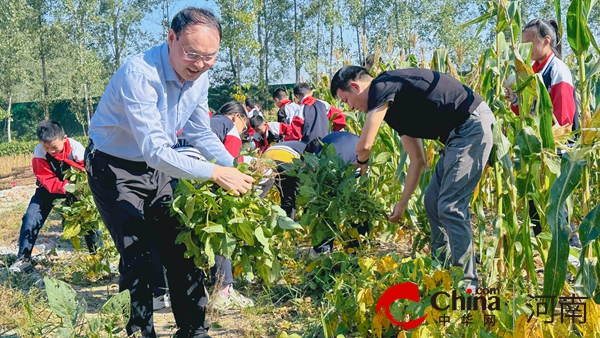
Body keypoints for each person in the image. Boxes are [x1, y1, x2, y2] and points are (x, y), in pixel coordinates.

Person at [86, 7, 254, 338]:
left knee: (181, 247)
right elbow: (155, 150)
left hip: (159, 166)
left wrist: (232, 165)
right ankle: (140, 331)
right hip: (115, 167)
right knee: (138, 253)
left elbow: (199, 132)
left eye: (210, 57)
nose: (200, 64)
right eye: (192, 54)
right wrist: (215, 173)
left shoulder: (200, 77)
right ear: (171, 38)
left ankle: (194, 330)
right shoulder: (140, 75)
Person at [331, 66, 496, 291]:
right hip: (455, 137)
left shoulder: (382, 85)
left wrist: (361, 162)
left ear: (355, 87)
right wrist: (402, 202)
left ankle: (467, 286)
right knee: (432, 201)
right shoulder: (394, 109)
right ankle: (443, 270)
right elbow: (418, 160)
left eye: (346, 100)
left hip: (470, 126)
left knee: (451, 207)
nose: (350, 107)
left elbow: (365, 145)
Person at [503, 18, 581, 247]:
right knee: (534, 205)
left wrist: (550, 151)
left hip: (553, 151)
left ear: (547, 41)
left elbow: (564, 120)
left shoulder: (557, 70)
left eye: (529, 44)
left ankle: (570, 256)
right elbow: (526, 112)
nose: (524, 50)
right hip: (535, 151)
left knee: (556, 208)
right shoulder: (531, 72)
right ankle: (549, 255)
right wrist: (514, 99)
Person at [174, 101, 254, 311]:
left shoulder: (204, 123)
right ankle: (223, 291)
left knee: (180, 229)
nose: (243, 133)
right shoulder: (229, 126)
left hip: (173, 167)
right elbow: (229, 163)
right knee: (219, 225)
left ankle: (164, 290)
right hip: (199, 169)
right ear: (237, 117)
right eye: (244, 128)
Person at [9, 120, 102, 274]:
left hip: (76, 189)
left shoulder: (76, 148)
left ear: (64, 138)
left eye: (55, 147)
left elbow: (86, 172)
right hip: (49, 190)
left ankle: (97, 259)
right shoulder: (39, 153)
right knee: (31, 217)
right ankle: (23, 260)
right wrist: (66, 187)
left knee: (88, 220)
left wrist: (79, 189)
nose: (51, 151)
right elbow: (46, 179)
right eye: (46, 147)